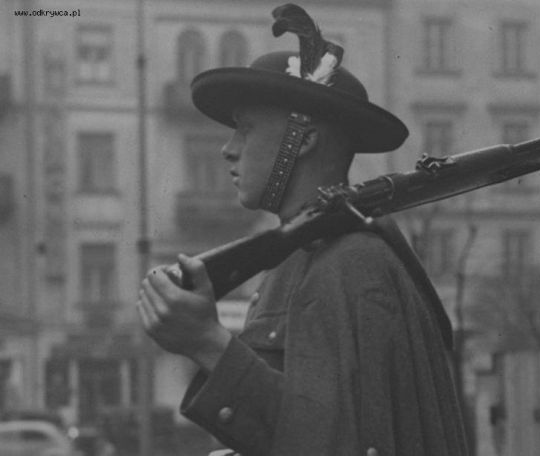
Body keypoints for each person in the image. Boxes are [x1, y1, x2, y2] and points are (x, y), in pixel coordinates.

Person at [137, 4, 468, 456]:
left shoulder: (350, 264)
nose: (228, 149)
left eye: (246, 129)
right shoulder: (303, 256)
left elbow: (337, 443)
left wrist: (207, 341)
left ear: (303, 138)